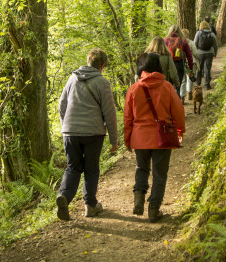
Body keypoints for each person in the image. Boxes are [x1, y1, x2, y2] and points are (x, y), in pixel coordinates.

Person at [56, 47, 118, 221]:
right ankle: (90, 205)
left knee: (73, 167)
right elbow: (110, 113)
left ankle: (64, 197)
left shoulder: (72, 78)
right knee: (91, 169)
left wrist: (65, 127)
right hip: (93, 132)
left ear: (88, 62)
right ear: (102, 65)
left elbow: (62, 105)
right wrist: (114, 140)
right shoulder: (103, 83)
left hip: (70, 132)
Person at [124, 53, 185, 222]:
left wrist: (127, 139)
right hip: (162, 137)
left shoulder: (134, 89)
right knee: (160, 174)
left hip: (139, 138)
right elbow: (179, 111)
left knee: (141, 169)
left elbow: (128, 117)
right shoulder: (167, 87)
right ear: (158, 66)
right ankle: (153, 209)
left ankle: (138, 197)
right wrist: (180, 131)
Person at [165, 24, 194, 97]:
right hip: (179, 65)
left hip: (168, 65)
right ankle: (177, 104)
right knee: (178, 86)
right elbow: (189, 56)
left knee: (169, 86)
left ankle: (169, 104)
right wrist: (190, 68)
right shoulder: (183, 41)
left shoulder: (166, 40)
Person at [194, 21, 218, 90]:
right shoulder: (212, 34)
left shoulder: (198, 33)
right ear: (208, 26)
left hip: (200, 53)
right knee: (207, 69)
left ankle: (198, 84)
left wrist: (195, 53)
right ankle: (207, 85)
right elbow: (216, 45)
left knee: (199, 69)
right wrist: (215, 53)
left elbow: (195, 43)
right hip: (210, 53)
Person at [180, 28, 200, 104]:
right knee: (190, 79)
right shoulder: (191, 42)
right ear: (187, 34)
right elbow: (196, 53)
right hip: (192, 62)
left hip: (182, 62)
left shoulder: (179, 43)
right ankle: (190, 94)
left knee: (182, 80)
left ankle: (182, 97)